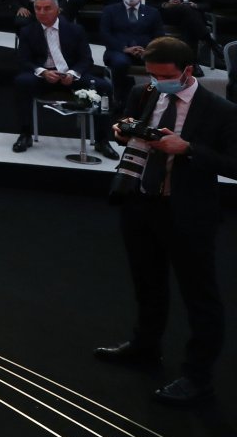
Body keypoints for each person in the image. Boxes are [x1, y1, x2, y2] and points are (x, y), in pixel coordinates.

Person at [101, 36, 237, 406]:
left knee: (200, 297)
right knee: (147, 283)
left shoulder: (220, 111)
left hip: (189, 213)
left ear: (188, 71)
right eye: (152, 74)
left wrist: (188, 149)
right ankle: (145, 345)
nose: (157, 81)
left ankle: (197, 377)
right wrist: (121, 130)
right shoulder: (145, 93)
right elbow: (124, 128)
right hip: (141, 204)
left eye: (164, 76)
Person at [11, 0, 116, 157]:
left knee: (104, 87)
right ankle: (25, 134)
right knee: (21, 82)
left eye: (47, 8)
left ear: (57, 10)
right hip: (44, 76)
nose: (41, 12)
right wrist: (43, 72)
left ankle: (103, 140)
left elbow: (86, 59)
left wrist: (73, 73)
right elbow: (24, 61)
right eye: (37, 8)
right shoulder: (27, 31)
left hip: (70, 74)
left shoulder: (75, 30)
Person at [98, 0, 164, 108]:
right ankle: (121, 100)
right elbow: (105, 35)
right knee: (120, 63)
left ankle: (157, 100)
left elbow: (159, 35)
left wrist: (148, 50)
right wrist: (125, 49)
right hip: (118, 50)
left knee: (166, 61)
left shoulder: (153, 12)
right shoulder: (110, 10)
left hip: (145, 52)